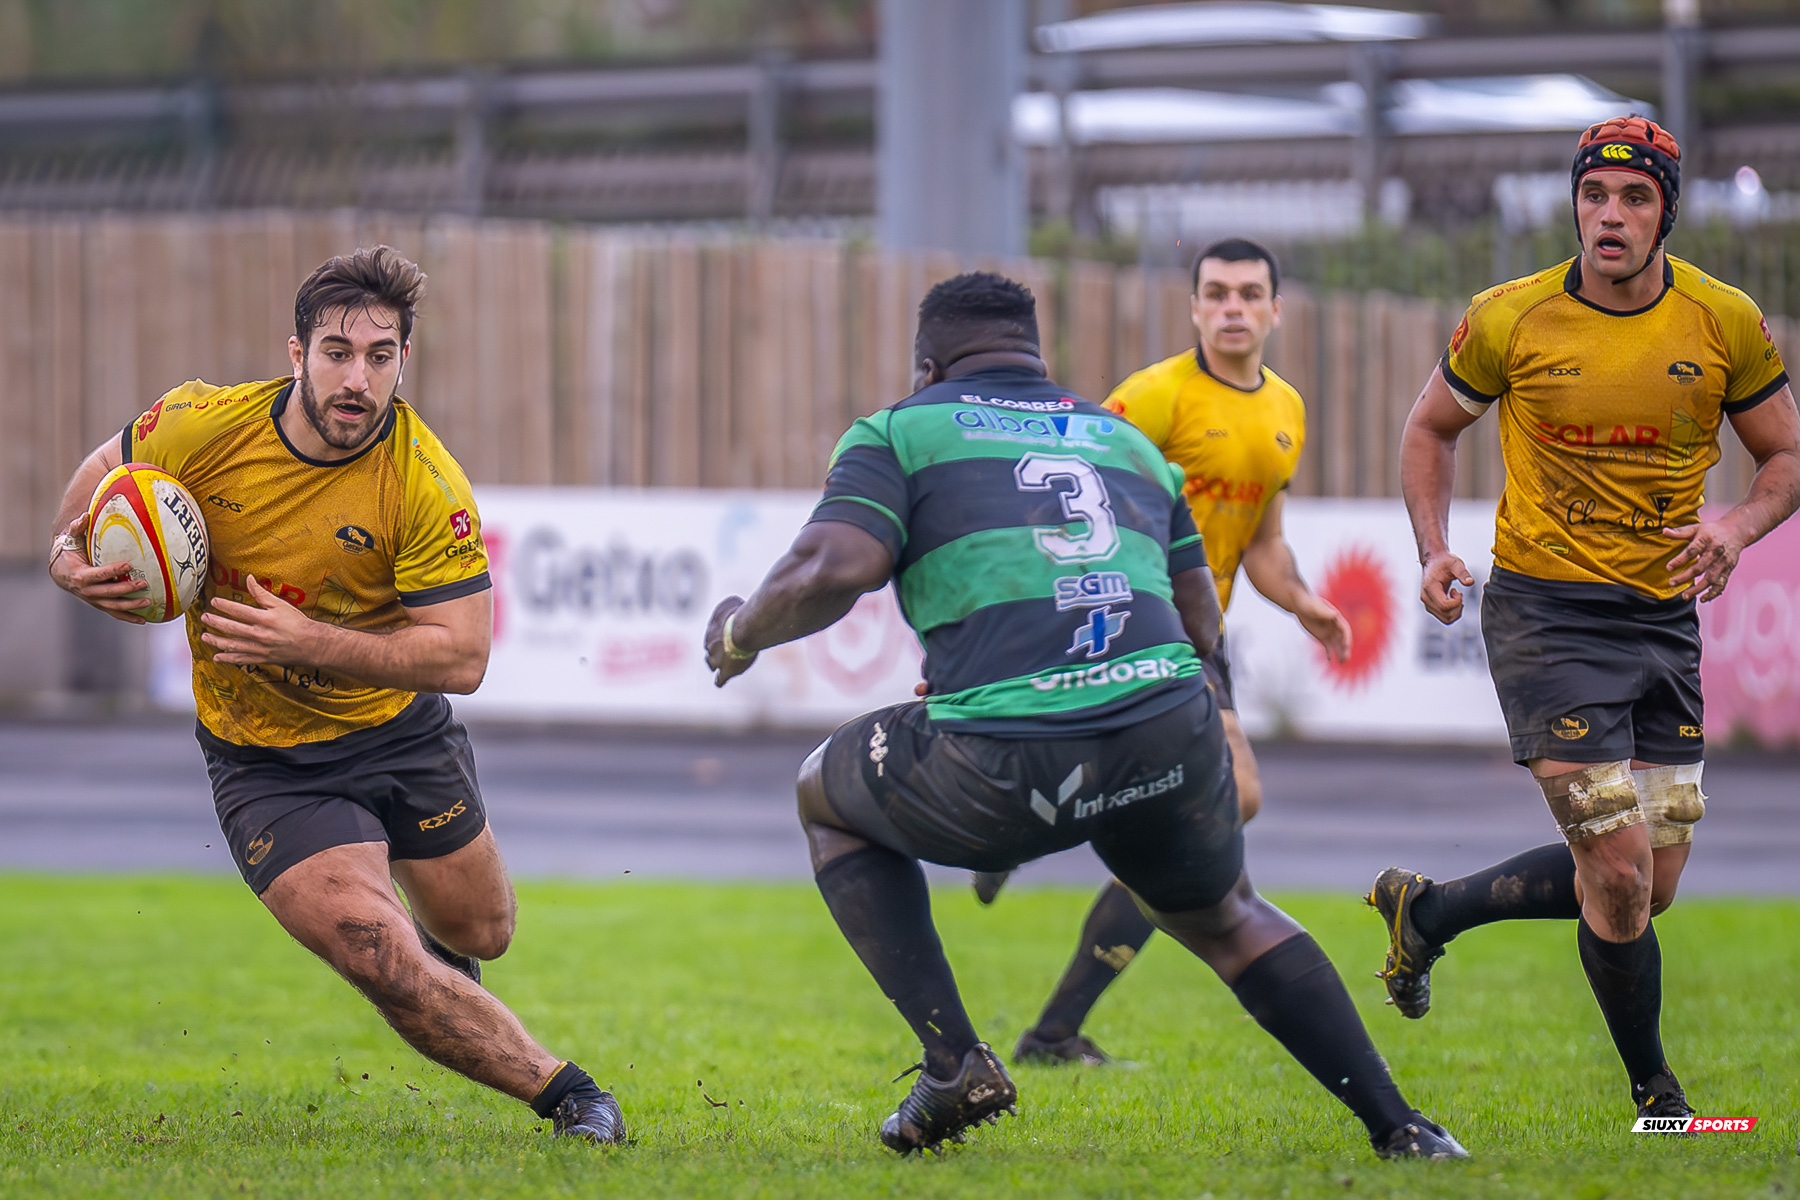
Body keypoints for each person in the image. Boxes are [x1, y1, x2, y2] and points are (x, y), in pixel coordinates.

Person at [704, 271, 1464, 1160]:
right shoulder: (1129, 443)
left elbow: (833, 567)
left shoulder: (900, 432)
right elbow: (1199, 620)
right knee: (1228, 915)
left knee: (822, 794)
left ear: (927, 365)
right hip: (1167, 724)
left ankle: (954, 1064)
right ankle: (1402, 1127)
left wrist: (739, 635)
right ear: (1036, 355)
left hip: (1005, 755)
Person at [47, 246, 624, 1144]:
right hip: (265, 758)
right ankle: (573, 1099)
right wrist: (67, 564)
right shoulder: (201, 423)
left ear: (404, 360)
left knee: (485, 929)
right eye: (337, 353)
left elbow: (464, 657)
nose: (358, 379)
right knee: (374, 948)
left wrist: (307, 639)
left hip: (400, 736)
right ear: (296, 353)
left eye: (381, 356)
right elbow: (85, 500)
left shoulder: (425, 481)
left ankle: (440, 952)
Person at [1381, 116, 1800, 1125]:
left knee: (1649, 888)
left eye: (1635, 198)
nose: (1609, 216)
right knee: (1611, 869)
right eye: (1594, 195)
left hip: (1662, 623)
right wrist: (1433, 547)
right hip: (1545, 617)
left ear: (1667, 211)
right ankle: (1657, 1093)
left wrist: (1738, 527)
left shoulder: (1724, 321)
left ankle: (1427, 912)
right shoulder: (1508, 318)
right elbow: (1430, 429)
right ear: (1575, 202)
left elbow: (1783, 459)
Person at [972, 238, 1353, 1067]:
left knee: (1191, 812)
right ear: (1193, 307)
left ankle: (1046, 988)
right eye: (1216, 293)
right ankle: (1052, 1018)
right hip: (1131, 622)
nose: (1233, 309)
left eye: (1250, 294)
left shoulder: (1285, 409)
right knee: (1223, 800)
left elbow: (1265, 544)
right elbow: (1058, 494)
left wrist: (1305, 602)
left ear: (1276, 310)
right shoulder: (1151, 398)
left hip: (1200, 633)